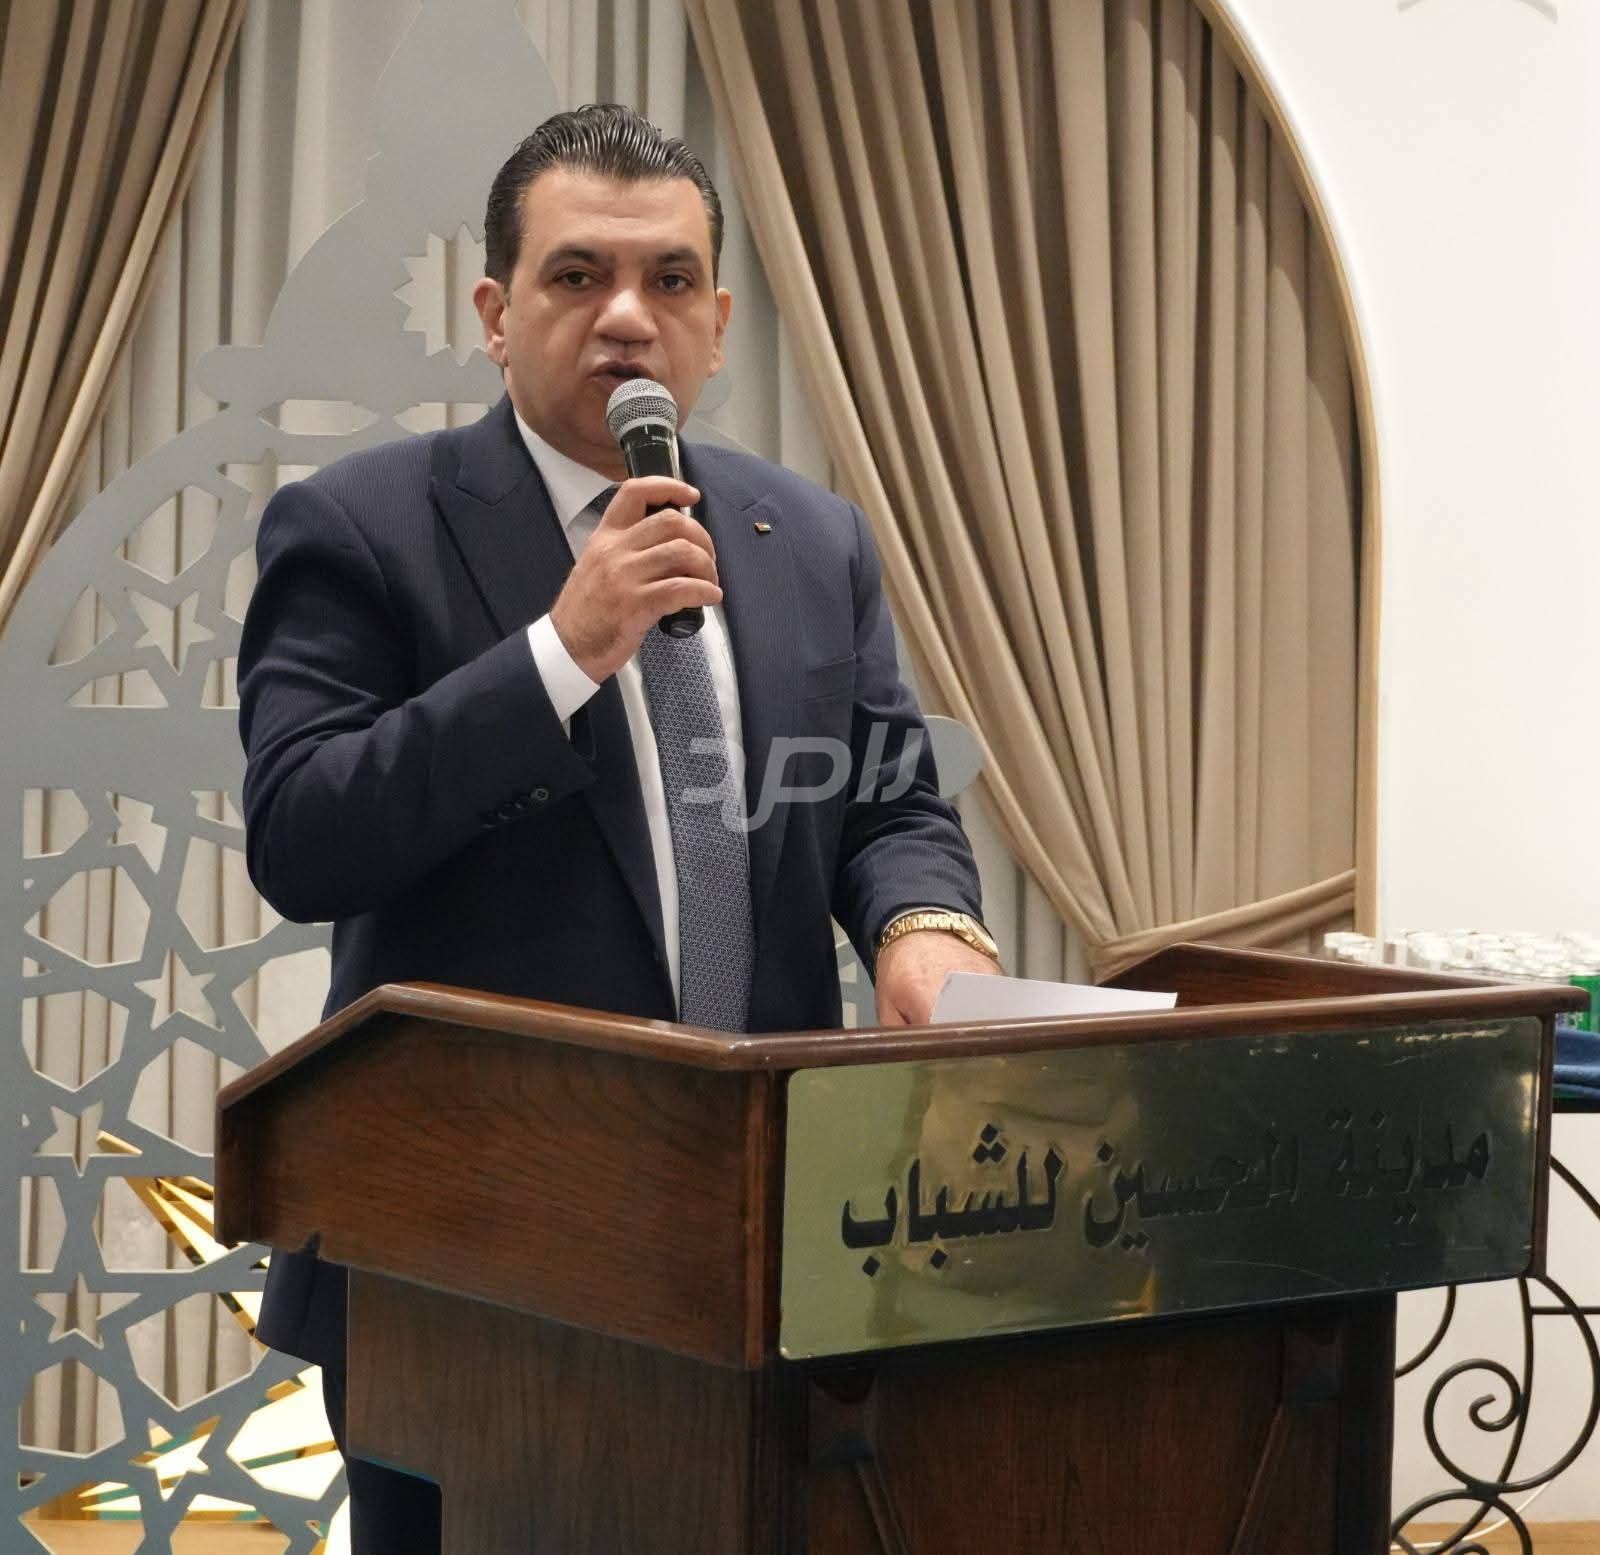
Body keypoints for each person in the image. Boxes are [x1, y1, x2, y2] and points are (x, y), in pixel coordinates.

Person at [237, 103, 998, 1554]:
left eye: (669, 281)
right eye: (578, 276)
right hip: (467, 1254)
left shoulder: (810, 535)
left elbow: (888, 799)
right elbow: (302, 833)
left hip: (766, 1236)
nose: (628, 318)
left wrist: (924, 930)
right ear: (495, 314)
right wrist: (559, 654)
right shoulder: (359, 527)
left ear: (717, 324)